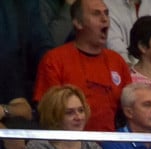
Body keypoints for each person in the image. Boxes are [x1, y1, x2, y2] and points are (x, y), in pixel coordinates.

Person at [34, 0, 132, 132]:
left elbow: (131, 109)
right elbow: (48, 113)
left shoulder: (117, 60)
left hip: (112, 143)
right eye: (96, 14)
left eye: (106, 14)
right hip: (70, 143)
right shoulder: (54, 59)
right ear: (78, 23)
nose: (105, 19)